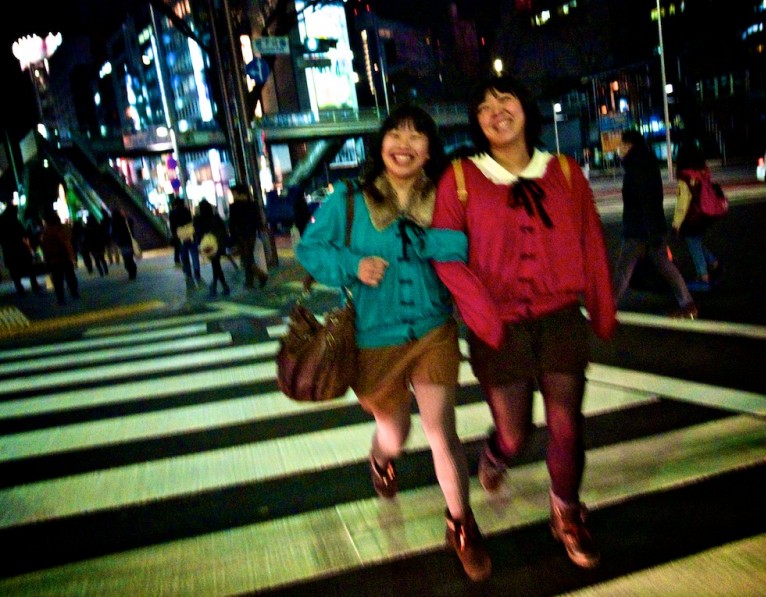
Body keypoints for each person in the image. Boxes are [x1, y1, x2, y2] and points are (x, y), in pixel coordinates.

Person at [296, 104, 492, 582]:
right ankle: (381, 458)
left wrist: (429, 244)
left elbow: (466, 244)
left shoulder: (445, 197)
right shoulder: (349, 198)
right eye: (395, 134)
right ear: (381, 144)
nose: (404, 144)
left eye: (416, 136)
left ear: (429, 150)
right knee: (395, 432)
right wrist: (352, 266)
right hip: (372, 339)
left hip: (432, 330)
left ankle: (461, 526)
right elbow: (310, 248)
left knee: (441, 431)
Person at [431, 75, 617, 570]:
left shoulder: (565, 173)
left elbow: (592, 243)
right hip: (499, 325)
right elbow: (445, 256)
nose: (496, 110)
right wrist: (483, 316)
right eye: (484, 105)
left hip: (560, 317)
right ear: (477, 122)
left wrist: (602, 309)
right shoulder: (461, 178)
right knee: (516, 432)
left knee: (567, 425)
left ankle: (567, 512)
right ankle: (497, 452)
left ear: (525, 109)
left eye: (505, 99)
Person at [612, 129, 698, 318]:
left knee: (624, 268)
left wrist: (650, 230)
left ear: (629, 146)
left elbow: (646, 201)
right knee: (664, 265)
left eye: (621, 145)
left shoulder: (636, 167)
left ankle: (608, 307)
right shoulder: (645, 163)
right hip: (650, 227)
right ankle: (688, 304)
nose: (618, 149)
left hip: (639, 229)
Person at [672, 142, 723, 292]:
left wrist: (676, 224)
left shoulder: (685, 177)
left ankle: (703, 276)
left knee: (693, 244)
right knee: (696, 242)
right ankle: (713, 263)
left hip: (692, 218)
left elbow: (682, 204)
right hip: (705, 215)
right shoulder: (702, 173)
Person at [228, 184, 268, 289]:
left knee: (246, 260)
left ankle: (261, 276)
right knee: (249, 257)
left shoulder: (234, 206)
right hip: (251, 234)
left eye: (233, 193)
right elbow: (257, 220)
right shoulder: (252, 204)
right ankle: (249, 282)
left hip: (241, 236)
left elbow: (232, 224)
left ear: (238, 193)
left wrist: (232, 239)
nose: (233, 195)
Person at [0, 203, 44, 295]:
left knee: (14, 270)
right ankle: (34, 285)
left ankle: (20, 288)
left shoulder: (2, 221)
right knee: (29, 266)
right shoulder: (14, 221)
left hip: (8, 250)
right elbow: (23, 233)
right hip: (19, 248)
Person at [40, 210, 80, 305]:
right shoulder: (61, 229)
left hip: (53, 259)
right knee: (70, 275)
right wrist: (72, 257)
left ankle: (60, 298)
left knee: (57, 279)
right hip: (64, 257)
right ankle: (74, 292)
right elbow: (67, 244)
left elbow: (45, 247)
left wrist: (46, 259)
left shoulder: (46, 232)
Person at [194, 199, 231, 297]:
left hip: (209, 246)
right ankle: (220, 286)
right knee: (216, 265)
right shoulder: (216, 218)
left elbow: (198, 232)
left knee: (216, 265)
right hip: (219, 245)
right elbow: (224, 231)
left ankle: (218, 286)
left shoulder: (201, 220)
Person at [169, 198, 201, 288]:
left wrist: (175, 236)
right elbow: (190, 221)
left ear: (174, 205)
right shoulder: (187, 210)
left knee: (184, 256)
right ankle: (196, 270)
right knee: (194, 254)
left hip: (181, 237)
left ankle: (188, 272)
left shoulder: (172, 213)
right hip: (190, 235)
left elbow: (172, 227)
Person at [110, 208, 138, 281]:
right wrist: (126, 216)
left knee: (126, 259)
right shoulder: (126, 220)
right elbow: (131, 223)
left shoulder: (114, 223)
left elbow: (113, 234)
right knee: (130, 258)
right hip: (129, 242)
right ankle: (133, 271)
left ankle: (131, 272)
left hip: (122, 243)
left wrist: (114, 242)